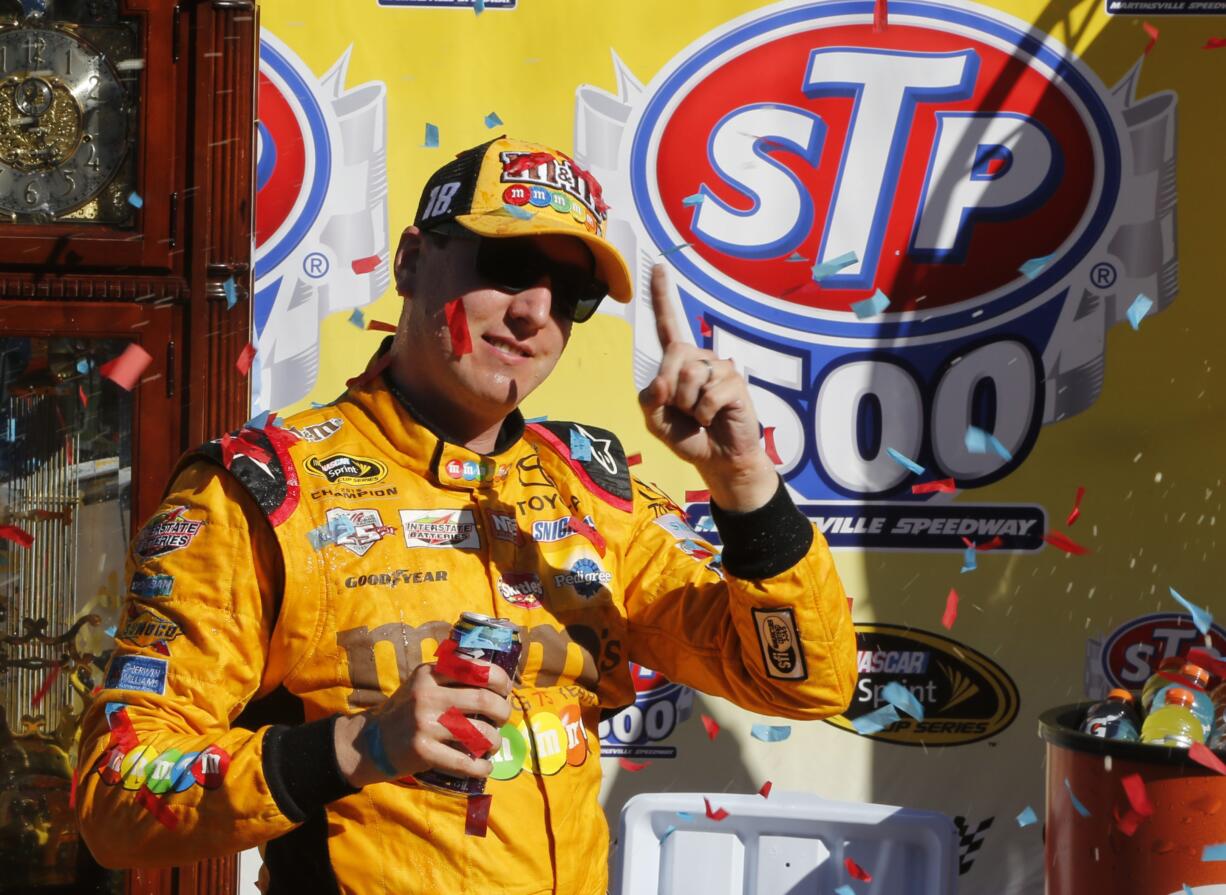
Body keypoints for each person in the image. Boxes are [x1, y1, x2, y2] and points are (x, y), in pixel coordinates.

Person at [76, 136, 857, 894]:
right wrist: (356, 745)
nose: (535, 312)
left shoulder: (592, 489)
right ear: (412, 260)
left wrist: (746, 484)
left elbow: (804, 684)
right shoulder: (263, 490)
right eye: (507, 264)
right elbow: (116, 797)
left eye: (570, 292)